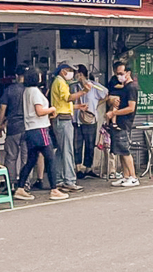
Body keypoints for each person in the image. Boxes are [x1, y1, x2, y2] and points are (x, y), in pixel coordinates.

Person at [14, 69, 69, 202]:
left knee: (32, 160)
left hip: (30, 129)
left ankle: (20, 188)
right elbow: (39, 111)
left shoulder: (26, 91)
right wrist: (52, 109)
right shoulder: (35, 92)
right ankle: (54, 189)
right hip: (40, 129)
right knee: (50, 158)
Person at [49, 63, 87, 192]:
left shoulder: (57, 82)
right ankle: (70, 180)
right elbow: (68, 98)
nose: (71, 73)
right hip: (63, 120)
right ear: (62, 71)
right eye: (69, 70)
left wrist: (77, 107)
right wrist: (83, 92)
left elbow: (62, 102)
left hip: (60, 118)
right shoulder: (60, 82)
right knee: (68, 151)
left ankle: (59, 179)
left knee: (61, 150)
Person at [107, 62, 140, 188]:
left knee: (125, 151)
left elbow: (131, 108)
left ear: (128, 73)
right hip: (118, 122)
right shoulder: (123, 87)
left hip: (124, 123)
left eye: (121, 73)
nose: (119, 76)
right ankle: (125, 176)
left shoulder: (131, 87)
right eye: (117, 74)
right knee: (120, 150)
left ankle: (133, 176)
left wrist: (114, 113)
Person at [0, 65, 28, 190]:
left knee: (11, 157)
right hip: (28, 127)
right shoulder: (30, 90)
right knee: (26, 157)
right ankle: (25, 184)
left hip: (13, 128)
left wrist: (0, 124)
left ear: (16, 76)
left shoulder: (10, 90)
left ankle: (10, 184)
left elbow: (2, 108)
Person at [73, 64, 107, 179]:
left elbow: (106, 93)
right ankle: (78, 169)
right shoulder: (74, 86)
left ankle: (88, 168)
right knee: (77, 145)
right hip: (76, 120)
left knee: (89, 145)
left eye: (76, 73)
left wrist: (97, 105)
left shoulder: (94, 86)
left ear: (81, 74)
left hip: (90, 120)